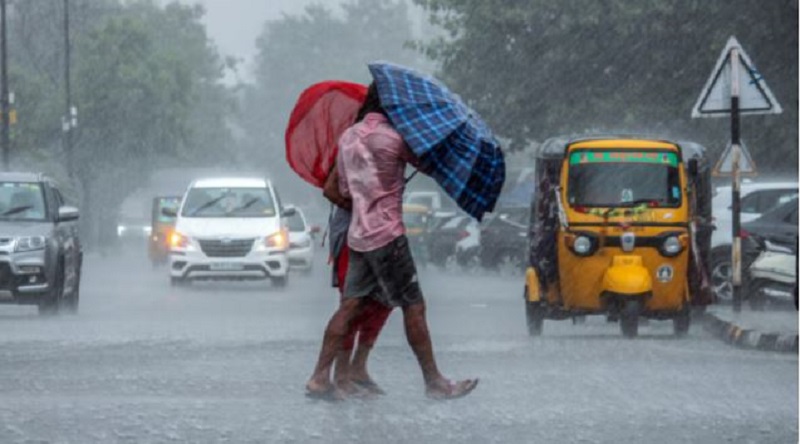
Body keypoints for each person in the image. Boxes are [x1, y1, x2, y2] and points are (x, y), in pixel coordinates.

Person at [305, 83, 478, 401]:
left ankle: (319, 377)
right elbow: (429, 164)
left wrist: (366, 201)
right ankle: (435, 382)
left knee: (349, 306)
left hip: (358, 237)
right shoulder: (395, 139)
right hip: (388, 237)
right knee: (414, 306)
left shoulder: (348, 138)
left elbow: (341, 189)